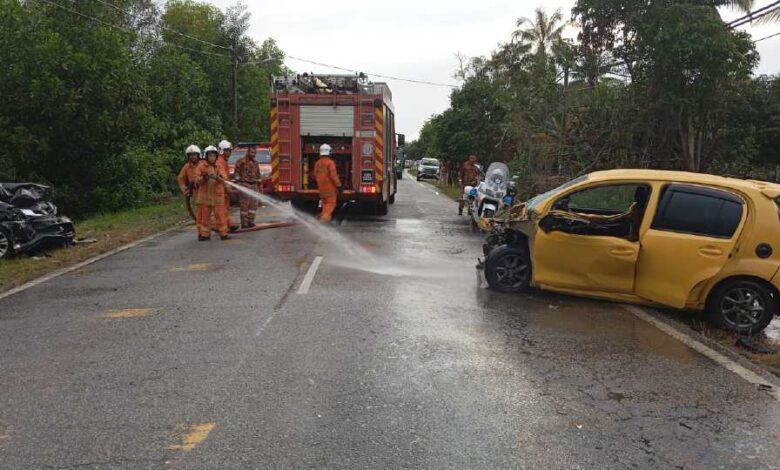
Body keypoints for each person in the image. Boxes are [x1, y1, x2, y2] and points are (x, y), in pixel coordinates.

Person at [195, 146, 230, 241]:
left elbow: (225, 178)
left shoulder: (219, 166)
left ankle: (223, 234)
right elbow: (197, 180)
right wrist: (204, 178)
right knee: (205, 217)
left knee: (220, 216)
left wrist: (219, 177)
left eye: (214, 156)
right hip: (205, 197)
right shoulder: (201, 166)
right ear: (206, 156)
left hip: (218, 196)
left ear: (216, 156)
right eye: (210, 156)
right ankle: (205, 235)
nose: (212, 158)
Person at [313, 143, 341, 223]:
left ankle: (324, 219)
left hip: (321, 189)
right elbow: (333, 176)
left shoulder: (317, 163)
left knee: (325, 205)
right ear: (329, 152)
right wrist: (339, 185)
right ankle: (323, 222)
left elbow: (315, 175)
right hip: (330, 189)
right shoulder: (330, 163)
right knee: (330, 206)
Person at [234, 146, 261, 228]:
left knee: (253, 205)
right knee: (244, 206)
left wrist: (259, 185)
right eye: (252, 152)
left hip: (254, 185)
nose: (253, 154)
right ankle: (244, 223)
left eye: (255, 153)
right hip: (245, 184)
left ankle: (251, 222)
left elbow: (258, 174)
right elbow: (236, 173)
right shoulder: (241, 161)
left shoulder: (256, 163)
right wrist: (239, 184)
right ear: (248, 152)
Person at [218, 140, 240, 232]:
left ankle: (228, 225)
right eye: (227, 150)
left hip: (224, 191)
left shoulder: (223, 161)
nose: (229, 153)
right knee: (222, 210)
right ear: (222, 151)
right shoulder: (220, 161)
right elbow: (223, 176)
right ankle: (226, 227)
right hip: (220, 191)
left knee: (225, 209)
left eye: (230, 151)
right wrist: (229, 189)